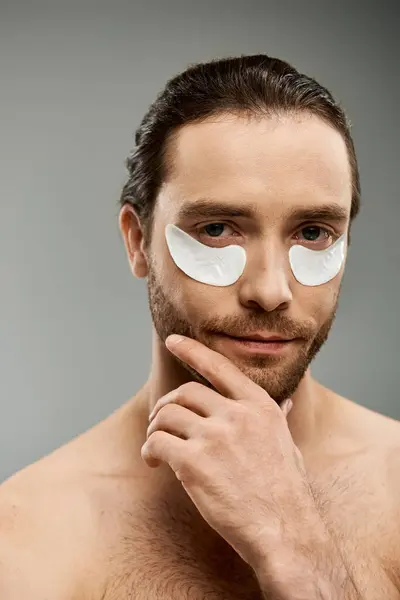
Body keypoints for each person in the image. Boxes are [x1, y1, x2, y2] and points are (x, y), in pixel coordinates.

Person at [1, 54, 399, 600]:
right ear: (137, 240)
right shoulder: (27, 537)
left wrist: (301, 555)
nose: (271, 289)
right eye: (217, 229)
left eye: (312, 232)